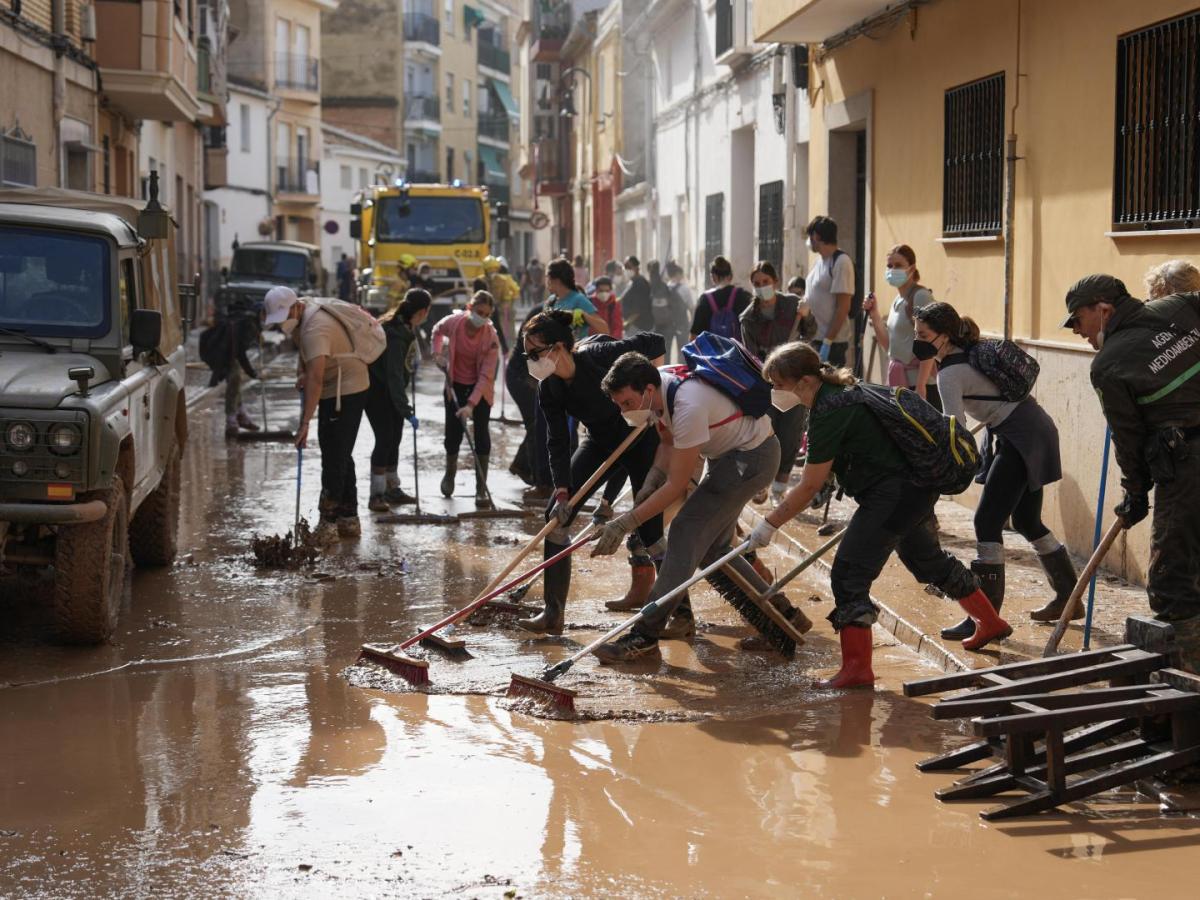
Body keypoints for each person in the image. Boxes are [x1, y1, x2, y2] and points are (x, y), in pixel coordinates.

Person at [747, 342, 1012, 688]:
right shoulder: (843, 392)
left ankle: (857, 669)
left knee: (848, 574)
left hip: (894, 494)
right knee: (926, 560)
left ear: (805, 381)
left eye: (778, 384)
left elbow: (809, 484)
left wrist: (769, 524)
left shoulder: (830, 409)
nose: (775, 392)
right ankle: (989, 622)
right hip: (912, 488)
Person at [587, 353, 813, 661]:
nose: (624, 411)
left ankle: (644, 634)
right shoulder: (660, 389)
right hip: (730, 455)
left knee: (684, 531)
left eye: (627, 403)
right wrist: (653, 478)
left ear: (647, 390)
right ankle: (783, 617)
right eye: (619, 405)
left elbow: (677, 485)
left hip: (752, 458)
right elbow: (667, 444)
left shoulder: (687, 405)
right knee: (714, 550)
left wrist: (624, 522)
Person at [1063, 274, 1200, 671]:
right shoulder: (1181, 306)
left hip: (1186, 466)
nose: (1077, 331)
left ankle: (1189, 680)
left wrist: (1135, 492)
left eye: (1078, 319)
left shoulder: (1108, 366)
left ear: (1104, 310)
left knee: (1172, 583)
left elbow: (1129, 438)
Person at [914, 301, 1073, 633]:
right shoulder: (966, 355)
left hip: (1020, 434)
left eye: (924, 334)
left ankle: (985, 619)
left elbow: (952, 429)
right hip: (1033, 426)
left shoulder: (950, 374)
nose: (918, 341)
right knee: (1027, 520)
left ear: (943, 337)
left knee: (986, 521)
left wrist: (933, 468)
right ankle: (1069, 599)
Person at [515, 311, 667, 634]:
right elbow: (556, 441)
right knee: (556, 517)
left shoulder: (599, 354)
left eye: (535, 354)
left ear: (558, 348)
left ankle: (679, 614)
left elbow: (656, 342)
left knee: (650, 528)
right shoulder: (549, 389)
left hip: (639, 436)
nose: (531, 362)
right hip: (599, 440)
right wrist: (561, 491)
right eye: (527, 356)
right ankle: (553, 612)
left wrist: (653, 403)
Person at [264, 286, 370, 543]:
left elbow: (316, 378)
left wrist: (304, 424)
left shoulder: (316, 327)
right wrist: (302, 372)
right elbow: (307, 361)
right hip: (336, 386)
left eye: (283, 317)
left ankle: (328, 524)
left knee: (335, 457)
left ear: (295, 306)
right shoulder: (305, 315)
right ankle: (349, 520)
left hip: (347, 389)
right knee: (339, 452)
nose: (282, 325)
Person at [741, 260, 814, 500]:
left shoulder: (793, 305)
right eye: (757, 284)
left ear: (776, 282)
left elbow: (810, 333)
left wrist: (807, 315)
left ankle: (780, 488)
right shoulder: (748, 319)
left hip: (795, 379)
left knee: (791, 433)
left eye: (766, 282)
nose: (762, 287)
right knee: (764, 431)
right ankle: (760, 482)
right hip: (767, 381)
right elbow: (750, 356)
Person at [432, 291, 502, 508]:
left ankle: (481, 489)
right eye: (479, 312)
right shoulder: (454, 322)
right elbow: (436, 331)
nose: (482, 317)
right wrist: (437, 354)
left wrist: (471, 405)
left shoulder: (491, 336)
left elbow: (486, 375)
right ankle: (449, 474)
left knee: (481, 434)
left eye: (487, 314)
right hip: (455, 385)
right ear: (470, 307)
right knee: (452, 434)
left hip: (480, 390)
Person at [365, 289, 430, 512]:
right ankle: (376, 495)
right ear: (423, 311)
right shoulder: (394, 334)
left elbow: (401, 371)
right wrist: (406, 410)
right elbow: (393, 375)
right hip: (377, 391)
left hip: (391, 390)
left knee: (395, 437)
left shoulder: (406, 328)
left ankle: (392, 489)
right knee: (384, 439)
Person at [864, 244, 937, 405]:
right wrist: (874, 314)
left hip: (918, 386)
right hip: (900, 382)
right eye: (889, 265)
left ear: (912, 268)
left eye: (898, 265)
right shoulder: (897, 300)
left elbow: (929, 341)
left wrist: (921, 385)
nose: (892, 270)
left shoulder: (921, 296)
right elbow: (889, 347)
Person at [200, 288, 261, 438]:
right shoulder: (247, 325)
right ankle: (231, 420)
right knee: (234, 380)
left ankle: (241, 415)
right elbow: (240, 354)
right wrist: (252, 373)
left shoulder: (247, 322)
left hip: (224, 352)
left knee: (236, 380)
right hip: (218, 352)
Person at [805, 216, 855, 366]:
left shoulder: (841, 262)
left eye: (810, 236)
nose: (809, 241)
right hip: (815, 338)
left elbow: (843, 306)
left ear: (816, 236)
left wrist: (828, 341)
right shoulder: (819, 262)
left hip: (832, 343)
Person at [690, 255, 751, 342]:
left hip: (710, 353)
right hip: (737, 352)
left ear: (713, 277)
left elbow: (694, 334)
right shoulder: (744, 296)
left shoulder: (705, 299)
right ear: (731, 276)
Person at [545, 257, 609, 337]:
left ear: (556, 281)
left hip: (577, 348)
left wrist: (584, 315)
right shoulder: (551, 301)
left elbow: (605, 329)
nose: (546, 281)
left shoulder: (579, 299)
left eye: (547, 277)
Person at [484, 255, 520, 343]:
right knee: (505, 327)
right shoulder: (506, 278)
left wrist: (508, 300)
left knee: (504, 327)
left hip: (502, 307)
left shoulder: (503, 279)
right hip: (502, 307)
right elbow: (516, 291)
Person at [620, 255, 654, 334]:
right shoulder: (632, 282)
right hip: (633, 326)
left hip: (639, 326)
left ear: (636, 267)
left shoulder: (640, 283)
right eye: (625, 267)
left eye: (628, 267)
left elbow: (638, 308)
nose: (626, 269)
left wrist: (627, 323)